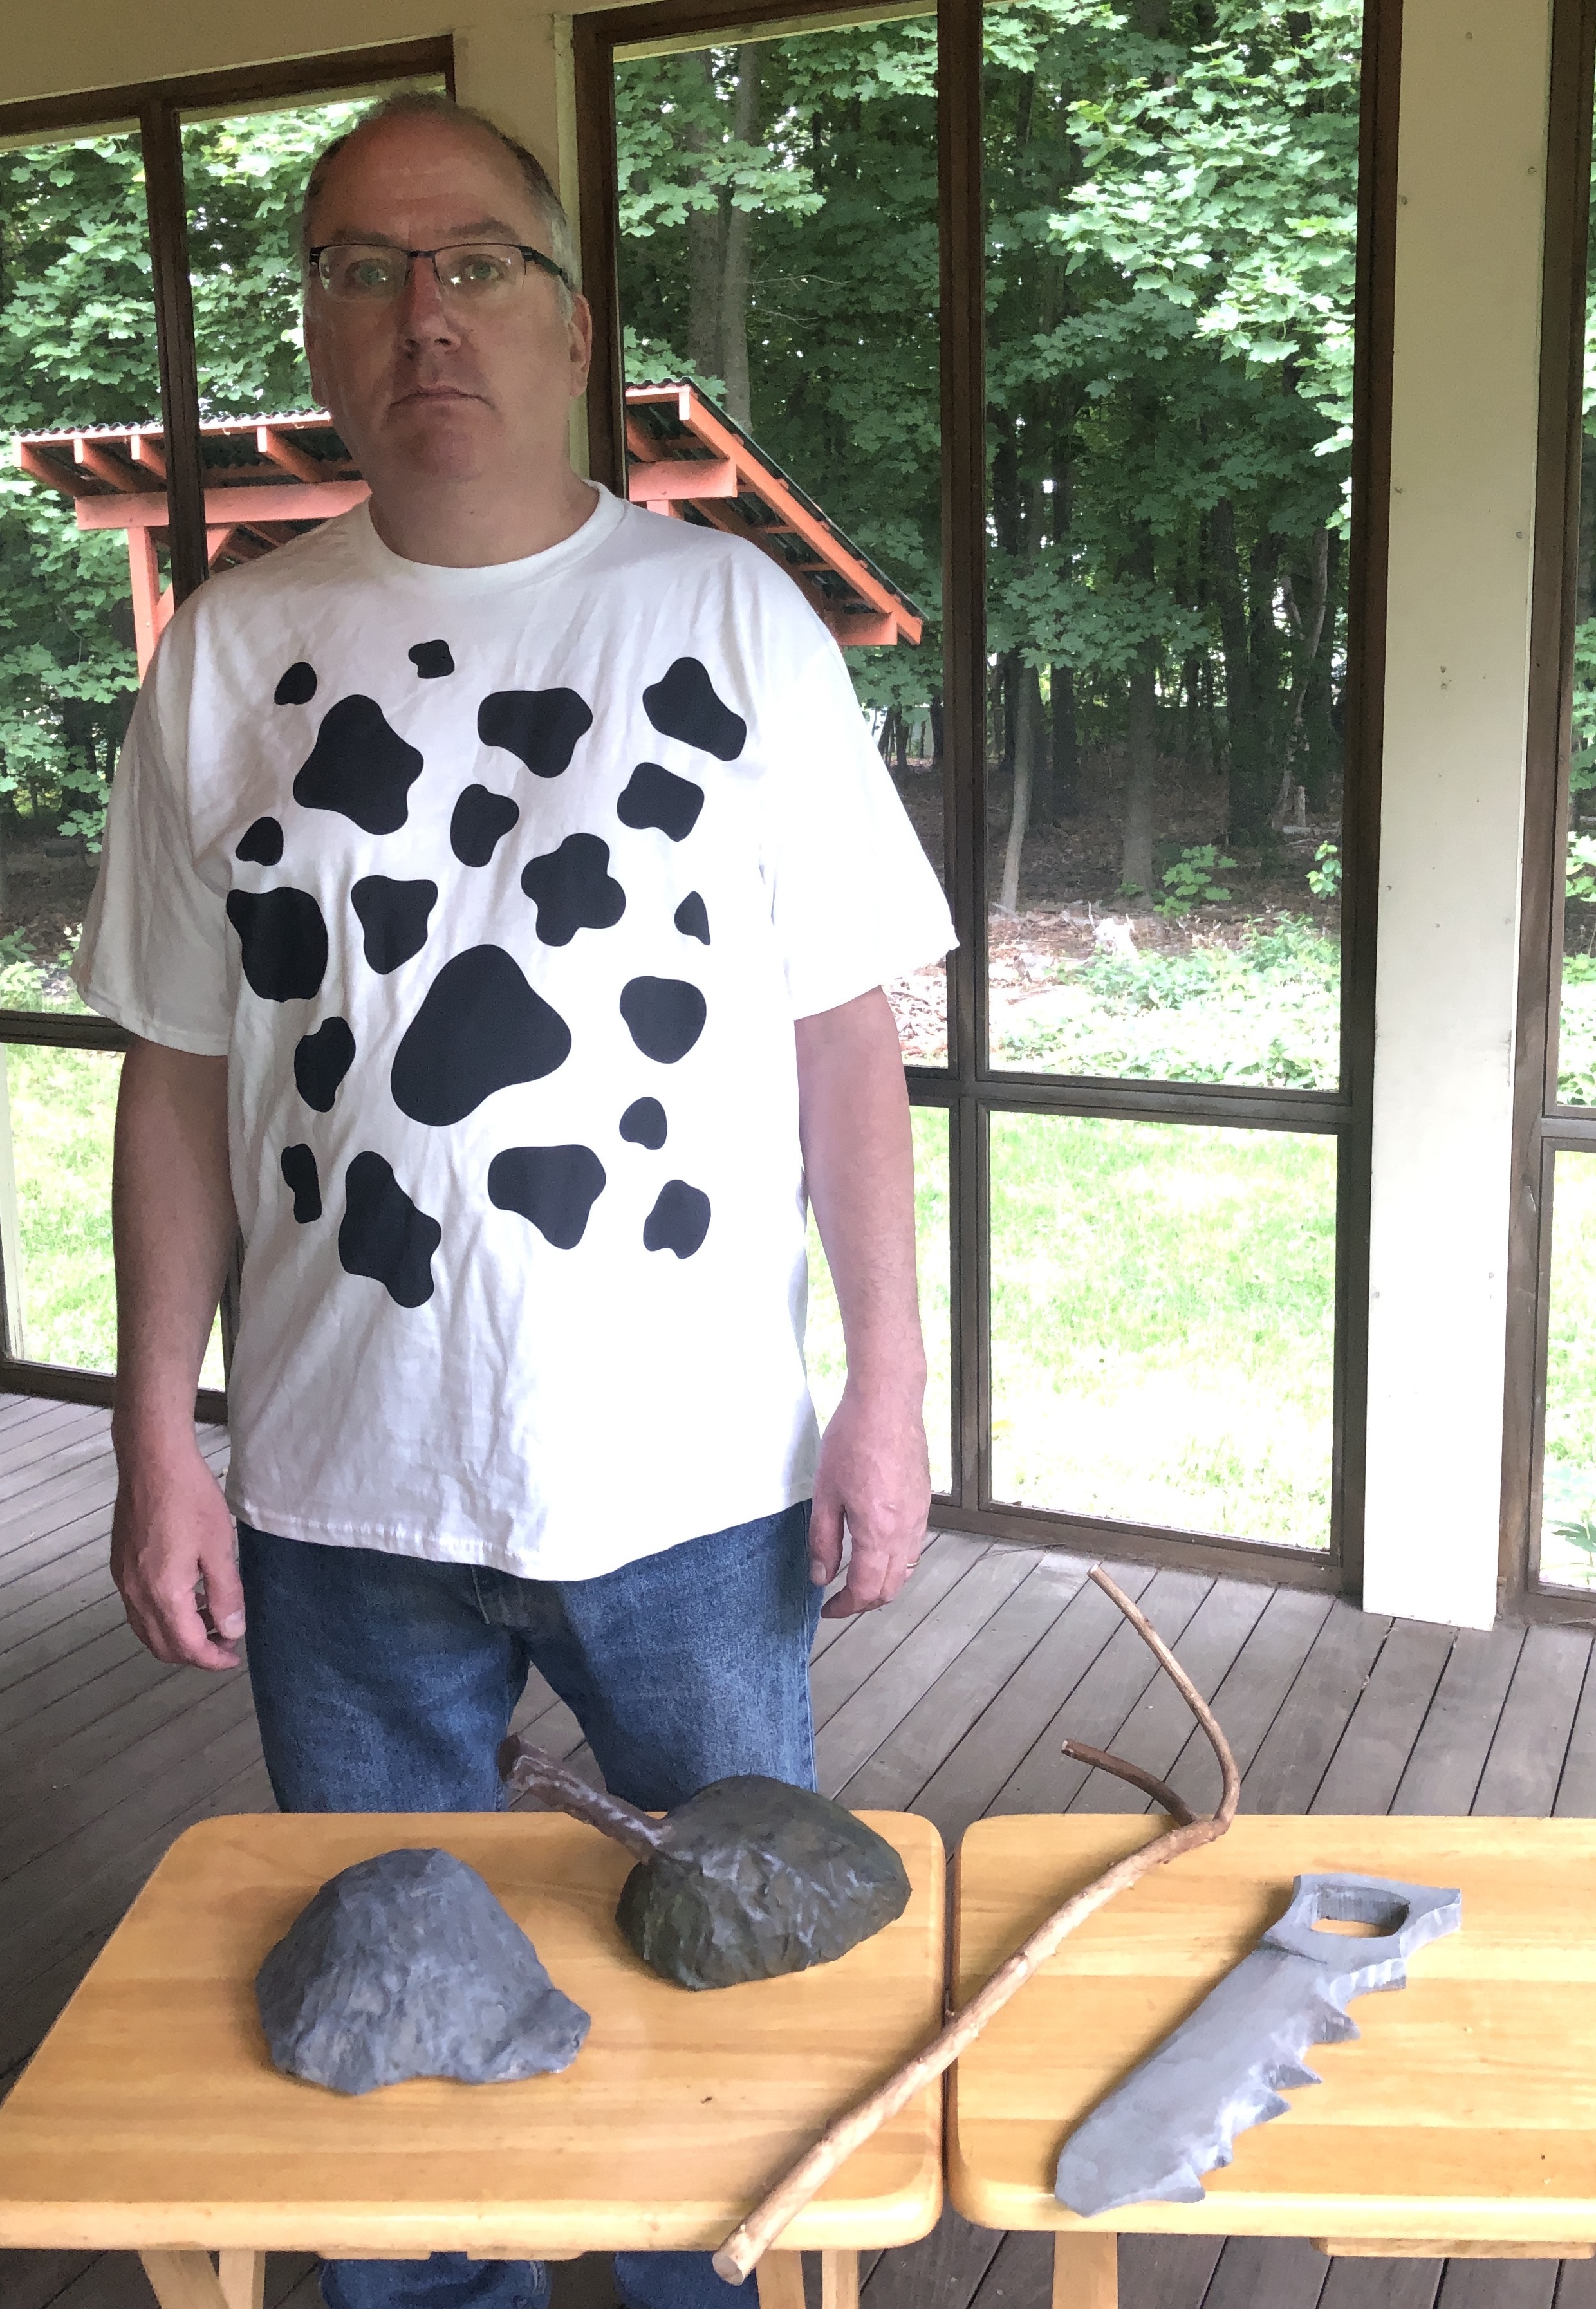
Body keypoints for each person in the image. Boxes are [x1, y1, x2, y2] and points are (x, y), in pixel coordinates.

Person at [74, 88, 953, 2309]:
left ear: (570, 318)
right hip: (339, 1487)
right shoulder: (227, 656)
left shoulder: (730, 618)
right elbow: (177, 1070)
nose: (423, 313)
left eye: (473, 262)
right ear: (318, 328)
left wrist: (890, 1386)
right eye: (364, 270)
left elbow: (843, 1031)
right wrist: (153, 1429)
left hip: (693, 1490)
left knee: (721, 2052)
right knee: (389, 2090)